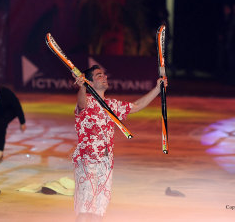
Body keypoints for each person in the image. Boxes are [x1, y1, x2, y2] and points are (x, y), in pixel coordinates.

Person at [72, 65, 167, 221]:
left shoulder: (113, 105)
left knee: (99, 209)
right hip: (87, 161)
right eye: (99, 75)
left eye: (104, 75)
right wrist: (82, 88)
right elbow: (81, 104)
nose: (105, 77)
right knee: (85, 207)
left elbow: (137, 106)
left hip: (106, 163)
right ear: (89, 81)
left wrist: (158, 88)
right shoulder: (87, 101)